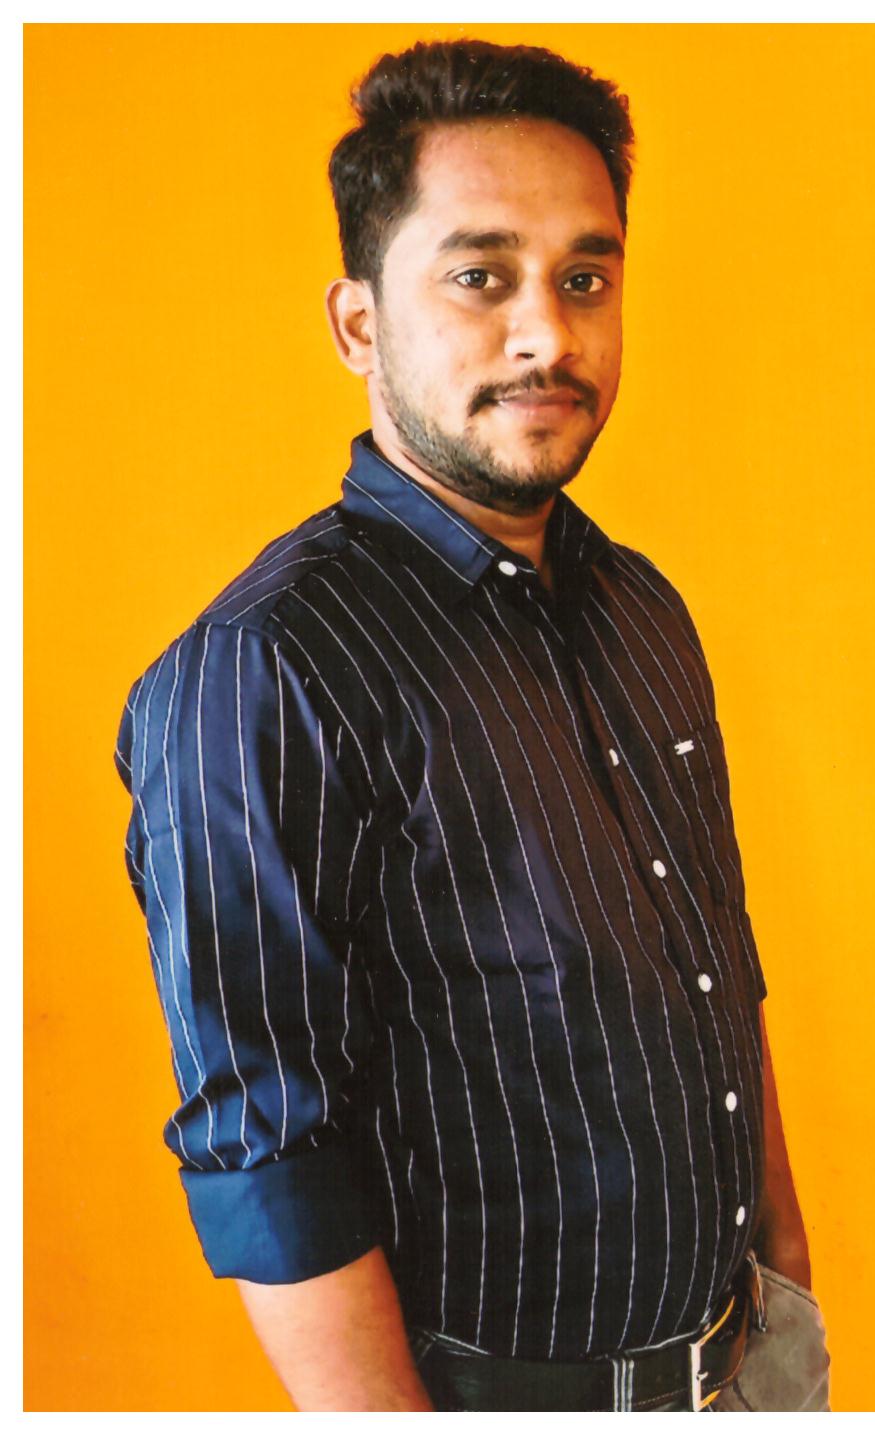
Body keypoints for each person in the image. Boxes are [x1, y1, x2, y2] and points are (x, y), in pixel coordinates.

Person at [115, 38, 830, 1412]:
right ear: (358, 324)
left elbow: (715, 975)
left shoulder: (641, 606)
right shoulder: (265, 669)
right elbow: (271, 1150)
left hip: (742, 1368)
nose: (547, 336)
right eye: (479, 277)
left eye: (585, 278)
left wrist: (786, 1299)